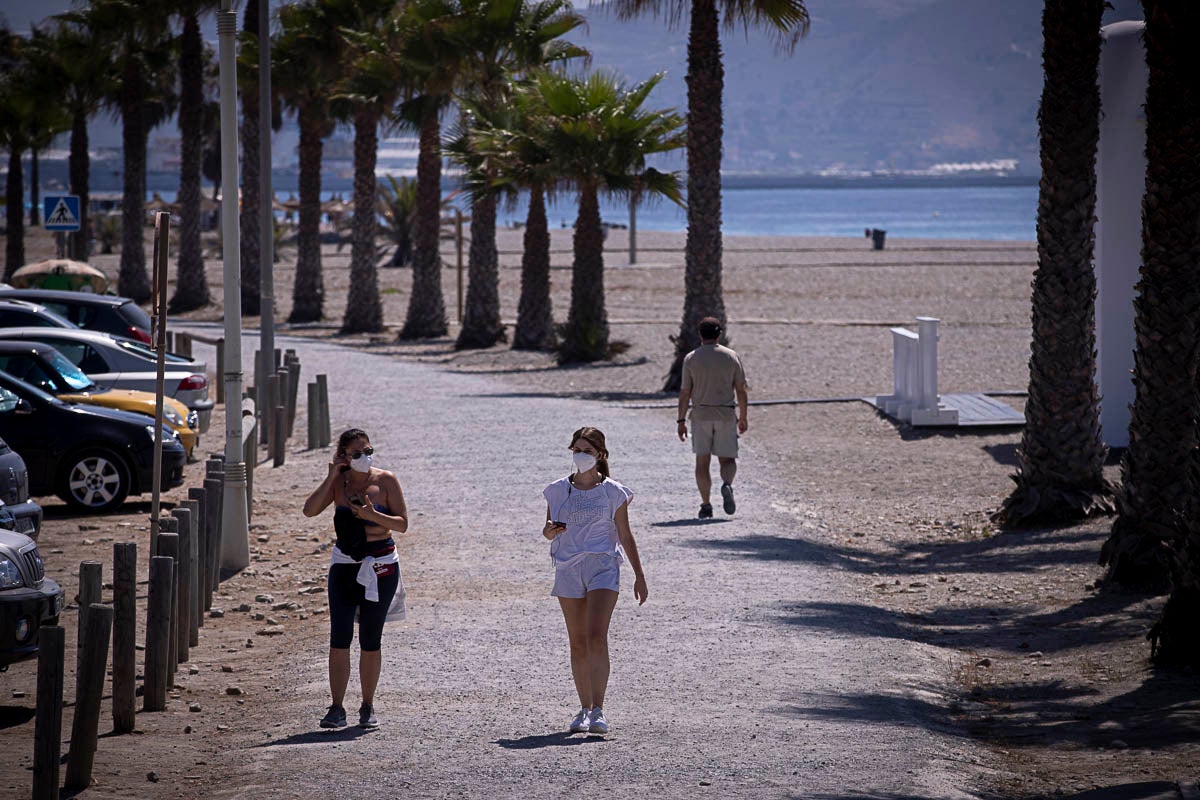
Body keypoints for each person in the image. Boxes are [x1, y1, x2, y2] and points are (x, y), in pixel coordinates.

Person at [542, 427, 647, 735]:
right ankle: (584, 707)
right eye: (577, 449)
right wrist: (551, 531)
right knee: (577, 641)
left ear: (600, 455)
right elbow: (547, 531)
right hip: (568, 566)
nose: (581, 455)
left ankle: (598, 709)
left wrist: (639, 575)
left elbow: (625, 535)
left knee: (596, 636)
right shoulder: (558, 490)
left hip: (603, 565)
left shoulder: (614, 492)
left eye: (587, 451)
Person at [302, 428, 408, 730]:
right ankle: (336, 707)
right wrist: (331, 476)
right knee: (340, 637)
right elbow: (309, 510)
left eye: (369, 451)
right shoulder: (339, 483)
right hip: (346, 565)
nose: (365, 458)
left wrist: (373, 516)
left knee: (371, 639)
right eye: (357, 453)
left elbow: (402, 524)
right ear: (344, 456)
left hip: (381, 566)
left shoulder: (386, 480)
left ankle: (367, 705)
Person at [677, 317, 749, 518]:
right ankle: (726, 484)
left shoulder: (691, 358)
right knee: (727, 459)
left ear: (700, 334)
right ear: (719, 334)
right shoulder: (731, 356)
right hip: (725, 413)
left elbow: (685, 392)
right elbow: (741, 390)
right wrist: (743, 416)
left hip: (700, 414)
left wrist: (681, 420)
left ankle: (706, 504)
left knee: (702, 462)